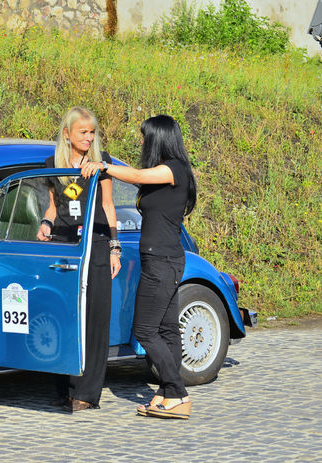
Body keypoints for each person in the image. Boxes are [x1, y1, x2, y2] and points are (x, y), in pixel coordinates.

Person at [81, 114, 197, 419]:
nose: (142, 142)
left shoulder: (174, 169)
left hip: (162, 261)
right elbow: (140, 177)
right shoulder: (167, 170)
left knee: (144, 330)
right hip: (162, 259)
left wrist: (104, 166)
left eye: (146, 137)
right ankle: (168, 393)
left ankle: (179, 393)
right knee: (168, 329)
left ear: (159, 138)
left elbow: (137, 177)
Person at [36, 106, 121, 412]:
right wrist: (45, 225)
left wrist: (114, 248)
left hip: (95, 246)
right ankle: (63, 388)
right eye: (82, 132)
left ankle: (86, 392)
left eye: (92, 132)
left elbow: (109, 206)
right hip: (63, 247)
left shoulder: (102, 164)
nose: (89, 137)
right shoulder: (52, 165)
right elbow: (53, 208)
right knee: (63, 317)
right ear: (67, 134)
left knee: (94, 320)